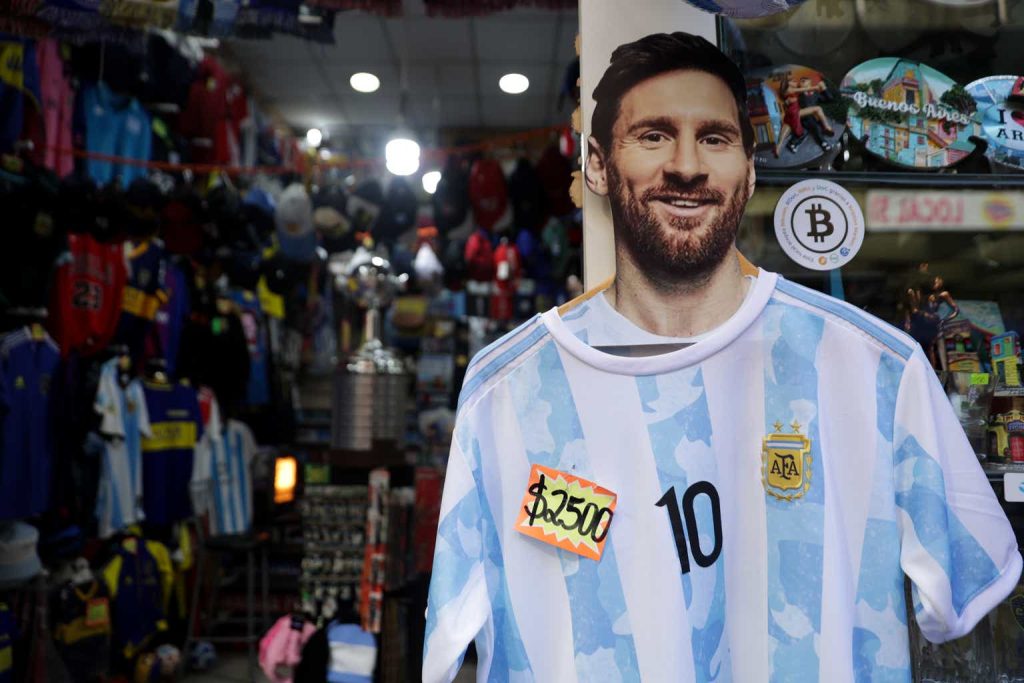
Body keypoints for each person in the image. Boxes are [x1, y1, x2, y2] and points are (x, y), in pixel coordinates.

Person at [424, 32, 1021, 682]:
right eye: (654, 135)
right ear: (596, 164)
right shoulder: (507, 396)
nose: (686, 165)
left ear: (750, 168)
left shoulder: (875, 372)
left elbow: (965, 591)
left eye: (714, 138)